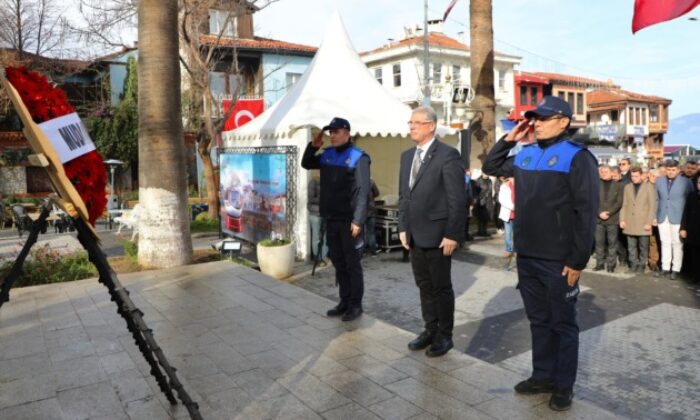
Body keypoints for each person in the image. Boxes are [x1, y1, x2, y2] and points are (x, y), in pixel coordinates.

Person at [483, 96, 599, 412]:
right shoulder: (526, 154)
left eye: (543, 118)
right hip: (528, 255)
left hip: (559, 260)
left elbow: (586, 213)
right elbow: (490, 166)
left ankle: (563, 385)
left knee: (563, 323)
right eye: (533, 118)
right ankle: (542, 375)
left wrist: (578, 261)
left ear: (563, 121)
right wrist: (509, 139)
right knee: (538, 320)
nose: (535, 123)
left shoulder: (578, 157)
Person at [399, 106, 466, 358]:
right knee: (424, 285)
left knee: (441, 287)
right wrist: (403, 227)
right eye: (410, 122)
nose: (412, 126)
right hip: (415, 235)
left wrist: (453, 234)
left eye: (417, 122)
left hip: (439, 236)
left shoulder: (448, 155)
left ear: (431, 126)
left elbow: (457, 199)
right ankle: (430, 329)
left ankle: (444, 335)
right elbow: (405, 196)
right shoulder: (407, 156)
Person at [301, 117, 370, 321]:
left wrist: (358, 220)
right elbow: (306, 163)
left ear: (347, 133)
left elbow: (362, 191)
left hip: (349, 222)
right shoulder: (327, 155)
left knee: (352, 264)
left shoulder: (359, 157)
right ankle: (344, 301)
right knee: (338, 262)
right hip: (331, 219)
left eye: (336, 131)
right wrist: (313, 147)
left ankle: (355, 305)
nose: (332, 135)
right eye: (330, 132)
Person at [653, 160, 693, 280]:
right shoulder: (659, 181)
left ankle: (676, 269)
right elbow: (656, 199)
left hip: (678, 217)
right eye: (669, 170)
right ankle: (665, 267)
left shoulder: (686, 182)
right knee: (665, 242)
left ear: (678, 170)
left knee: (677, 243)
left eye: (673, 170)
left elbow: (690, 201)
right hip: (662, 216)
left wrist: (686, 222)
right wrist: (654, 216)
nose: (670, 172)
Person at [619, 167, 656, 274]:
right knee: (631, 246)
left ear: (641, 175)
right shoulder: (627, 187)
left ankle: (642, 265)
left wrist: (649, 222)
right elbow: (624, 205)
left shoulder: (649, 187)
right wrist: (622, 219)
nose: (634, 178)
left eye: (636, 176)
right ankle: (633, 264)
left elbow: (652, 206)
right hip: (630, 221)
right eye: (632, 176)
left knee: (643, 246)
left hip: (643, 222)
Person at [594, 165, 623, 272]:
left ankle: (611, 265)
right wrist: (599, 213)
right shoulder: (595, 185)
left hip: (612, 219)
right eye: (602, 172)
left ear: (612, 173)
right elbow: (593, 200)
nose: (603, 173)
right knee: (599, 243)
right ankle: (600, 264)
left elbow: (619, 202)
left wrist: (609, 213)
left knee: (612, 243)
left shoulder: (619, 186)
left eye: (606, 171)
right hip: (598, 219)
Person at [680, 176, 700, 283]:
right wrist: (683, 228)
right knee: (695, 256)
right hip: (693, 231)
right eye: (698, 182)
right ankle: (696, 276)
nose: (699, 185)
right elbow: (685, 213)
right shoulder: (692, 195)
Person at [308, 173, 328, 264]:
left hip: (325, 213)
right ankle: (317, 258)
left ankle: (324, 257)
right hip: (315, 213)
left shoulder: (327, 182)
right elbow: (311, 198)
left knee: (325, 237)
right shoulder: (313, 182)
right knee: (316, 237)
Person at [497, 176, 515, 270]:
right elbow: (501, 199)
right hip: (508, 212)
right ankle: (508, 250)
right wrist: (512, 207)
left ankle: (516, 250)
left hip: (518, 213)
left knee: (517, 233)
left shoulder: (520, 184)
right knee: (508, 233)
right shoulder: (504, 186)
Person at [474, 173, 493, 237]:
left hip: (488, 201)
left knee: (486, 217)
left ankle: (484, 231)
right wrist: (479, 199)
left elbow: (490, 191)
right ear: (482, 173)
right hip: (481, 201)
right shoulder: (478, 181)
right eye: (485, 173)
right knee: (480, 217)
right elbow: (476, 192)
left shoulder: (490, 181)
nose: (487, 175)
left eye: (488, 173)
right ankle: (480, 231)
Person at [365, 178, 380, 255]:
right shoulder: (371, 182)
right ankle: (373, 251)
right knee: (371, 232)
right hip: (371, 210)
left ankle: (362, 251)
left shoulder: (357, 180)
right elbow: (377, 193)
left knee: (361, 233)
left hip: (361, 211)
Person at [464, 169, 475, 241]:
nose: (469, 176)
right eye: (468, 175)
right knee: (465, 220)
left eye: (470, 175)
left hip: (466, 203)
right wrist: (471, 203)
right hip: (465, 203)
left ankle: (465, 235)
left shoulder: (471, 182)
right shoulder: (467, 181)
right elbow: (469, 193)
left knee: (467, 220)